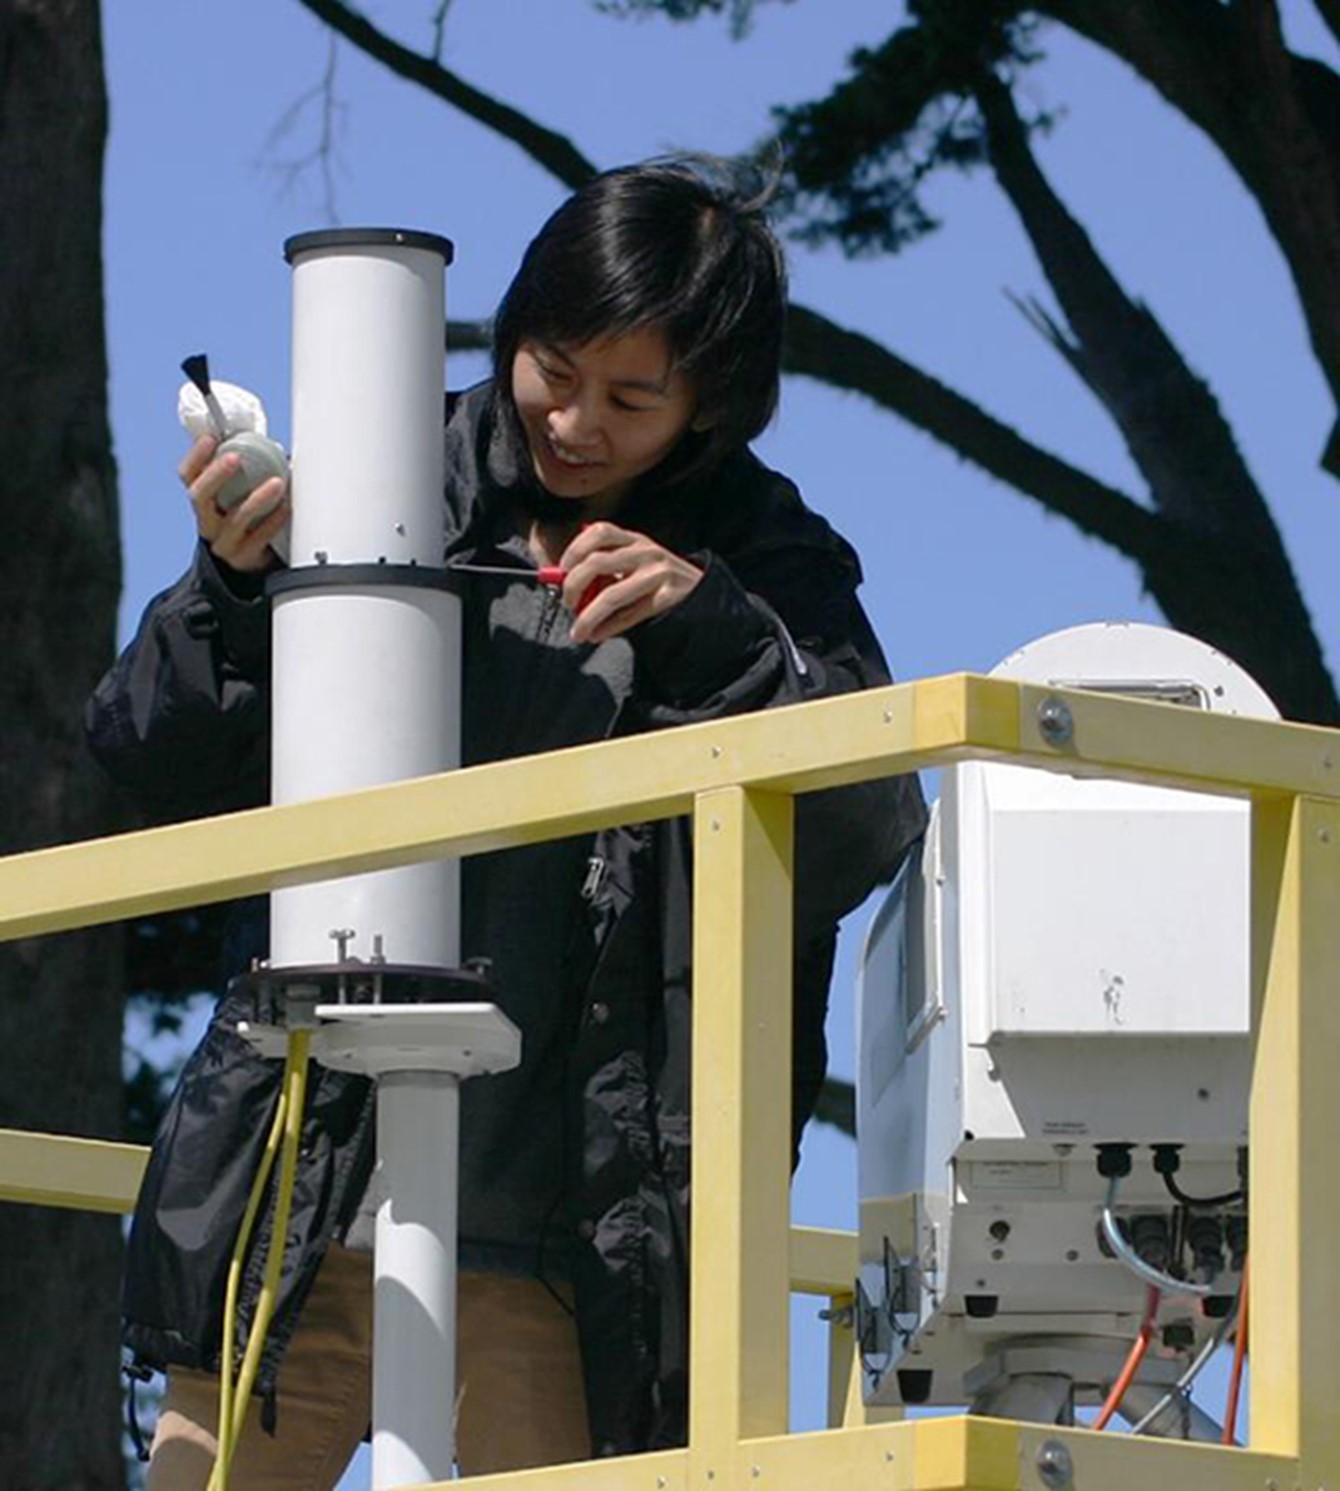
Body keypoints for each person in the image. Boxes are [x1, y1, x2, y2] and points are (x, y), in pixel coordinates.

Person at [87, 156, 927, 1488]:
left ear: (714, 405)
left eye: (631, 398)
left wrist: (713, 635)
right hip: (299, 1195)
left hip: (573, 1248)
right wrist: (235, 591)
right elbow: (144, 759)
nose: (576, 422)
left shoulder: (772, 565)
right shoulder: (375, 471)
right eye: (553, 366)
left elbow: (863, 835)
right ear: (516, 325)